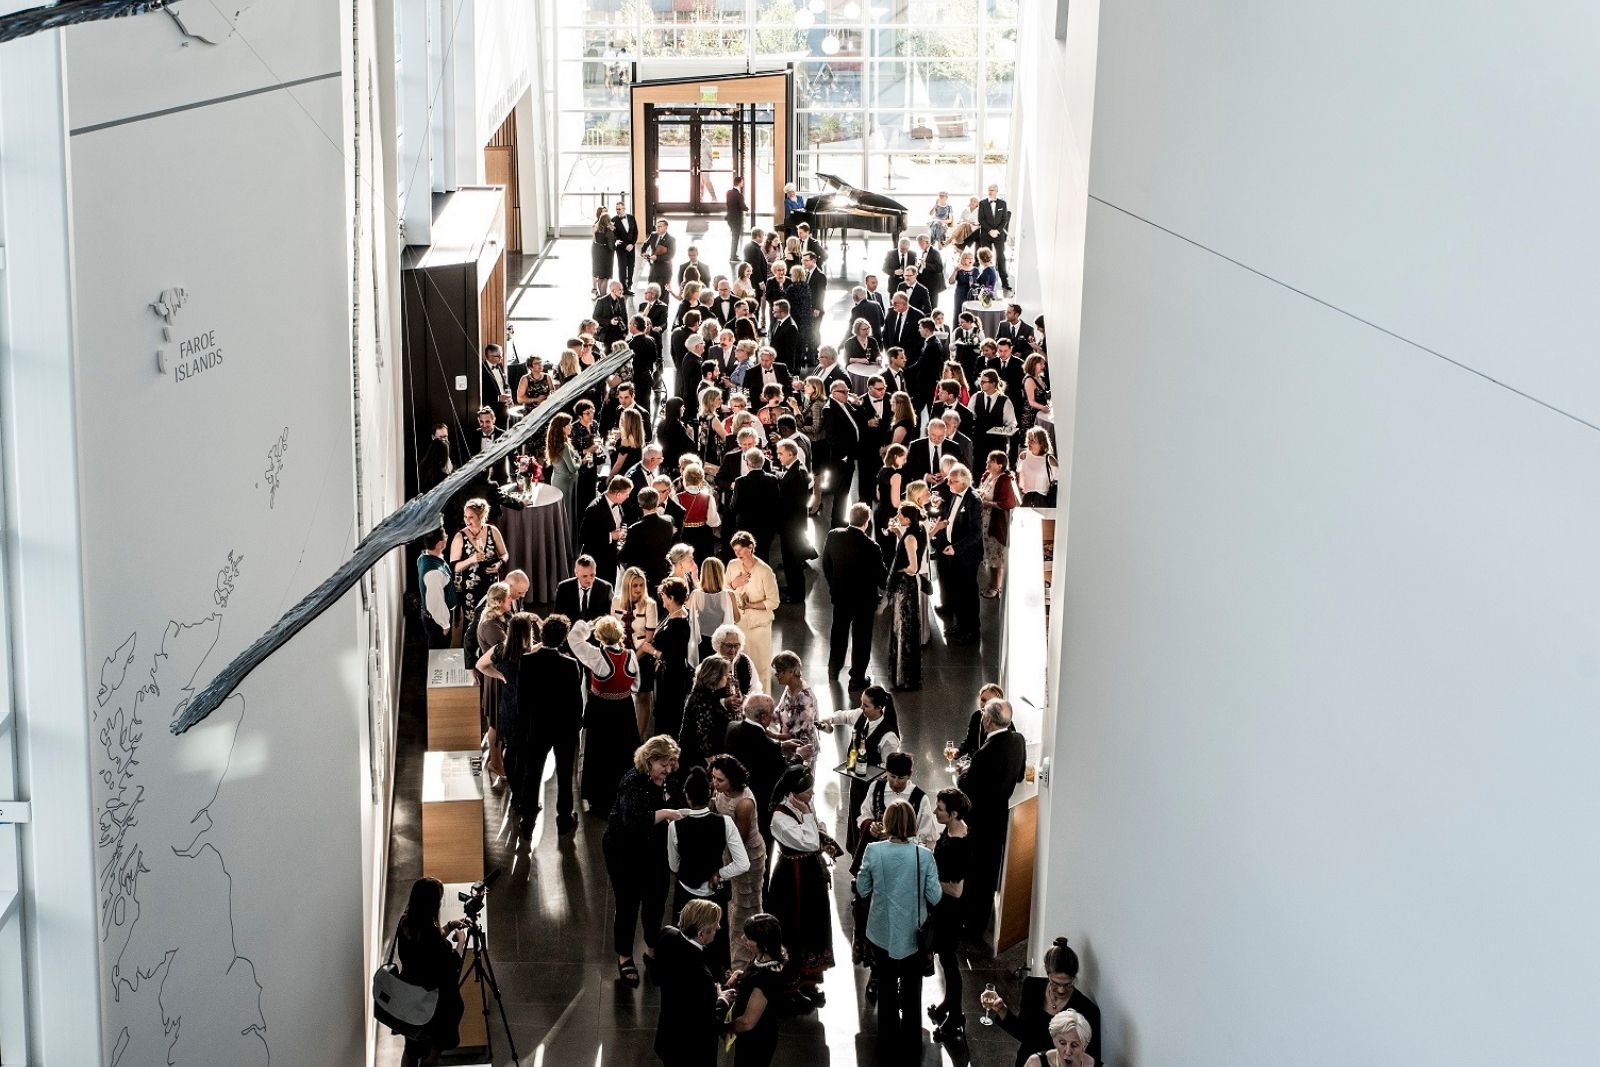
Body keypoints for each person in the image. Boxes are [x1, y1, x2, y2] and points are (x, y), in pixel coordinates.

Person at [854, 799, 942, 1054]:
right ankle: (912, 1039)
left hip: (881, 931)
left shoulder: (874, 850)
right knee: (913, 988)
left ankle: (887, 1038)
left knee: (887, 985)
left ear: (888, 824)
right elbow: (935, 896)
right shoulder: (924, 855)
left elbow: (862, 888)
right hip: (914, 933)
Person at [604, 735, 684, 987]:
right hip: (624, 851)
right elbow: (634, 821)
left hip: (654, 849)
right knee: (628, 903)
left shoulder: (668, 778)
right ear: (649, 761)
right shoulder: (632, 781)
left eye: (671, 765)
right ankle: (624, 956)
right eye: (664, 764)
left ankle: (652, 948)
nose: (668, 770)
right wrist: (666, 812)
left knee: (656, 900)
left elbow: (679, 800)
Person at [765, 767, 840, 1007]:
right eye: (808, 790)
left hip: (809, 873)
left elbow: (815, 830)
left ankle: (808, 979)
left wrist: (817, 827)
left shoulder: (805, 804)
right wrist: (809, 819)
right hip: (791, 878)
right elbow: (808, 841)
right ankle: (790, 985)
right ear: (794, 793)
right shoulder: (780, 817)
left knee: (812, 925)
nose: (813, 794)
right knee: (794, 926)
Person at [956, 698, 1028, 939]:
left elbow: (968, 788)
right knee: (989, 871)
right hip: (1000, 816)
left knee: (974, 870)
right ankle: (980, 923)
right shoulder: (1018, 741)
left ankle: (969, 923)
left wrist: (962, 774)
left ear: (987, 720)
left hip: (979, 820)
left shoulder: (985, 753)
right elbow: (1018, 777)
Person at [668, 766, 750, 975]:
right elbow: (743, 863)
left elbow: (674, 865)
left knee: (683, 949)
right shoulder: (725, 822)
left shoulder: (675, 826)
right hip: (714, 896)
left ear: (687, 797)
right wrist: (719, 873)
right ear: (710, 794)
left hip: (686, 894)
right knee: (715, 951)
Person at [983, 937, 1103, 1067]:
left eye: (1068, 984)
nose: (1062, 990)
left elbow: (1090, 1060)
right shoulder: (1032, 987)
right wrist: (1001, 1008)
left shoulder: (1087, 1010)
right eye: (1055, 983)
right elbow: (1024, 1034)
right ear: (1047, 972)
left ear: (1074, 977)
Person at [516, 613, 584, 834]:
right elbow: (576, 701)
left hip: (537, 727)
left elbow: (522, 699)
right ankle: (564, 820)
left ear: (541, 634)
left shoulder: (527, 661)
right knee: (565, 776)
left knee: (532, 772)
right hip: (563, 729)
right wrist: (576, 728)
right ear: (564, 638)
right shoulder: (571, 665)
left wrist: (524, 727)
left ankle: (527, 821)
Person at [569, 615, 642, 816]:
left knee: (599, 753)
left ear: (599, 637)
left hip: (601, 709)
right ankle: (624, 794)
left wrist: (588, 624)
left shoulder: (597, 656)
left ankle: (600, 797)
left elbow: (574, 639)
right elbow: (636, 685)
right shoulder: (630, 655)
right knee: (623, 751)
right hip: (624, 709)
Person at [394, 877, 466, 1067]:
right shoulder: (433, 939)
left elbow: (425, 942)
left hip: (411, 998)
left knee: (411, 1050)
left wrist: (449, 926)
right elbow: (452, 966)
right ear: (433, 904)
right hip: (435, 1006)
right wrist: (461, 942)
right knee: (432, 1055)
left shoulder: (406, 922)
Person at [475, 610, 539, 818]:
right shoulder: (533, 654)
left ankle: (515, 795)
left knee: (511, 750)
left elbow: (480, 665)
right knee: (528, 755)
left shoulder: (500, 650)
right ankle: (525, 796)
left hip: (509, 706)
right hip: (530, 709)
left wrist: (499, 675)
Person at [707, 755, 767, 972]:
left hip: (746, 856)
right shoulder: (722, 791)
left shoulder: (744, 803)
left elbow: (738, 841)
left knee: (745, 908)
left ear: (732, 780)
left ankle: (743, 964)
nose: (714, 783)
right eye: (713, 778)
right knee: (735, 904)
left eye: (719, 780)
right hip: (728, 851)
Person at [653, 898, 728, 1067]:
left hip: (668, 1037)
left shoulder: (666, 934)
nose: (718, 928)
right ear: (701, 934)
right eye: (715, 925)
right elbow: (709, 1023)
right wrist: (722, 999)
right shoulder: (702, 976)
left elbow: (656, 977)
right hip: (692, 1051)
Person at [821, 503, 886, 688]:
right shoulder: (872, 547)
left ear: (849, 518)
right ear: (866, 523)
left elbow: (826, 564)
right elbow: (882, 579)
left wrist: (834, 584)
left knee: (838, 632)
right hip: (864, 601)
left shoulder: (834, 536)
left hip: (841, 595)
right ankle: (857, 678)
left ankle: (833, 668)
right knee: (862, 638)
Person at [925, 787, 972, 1042]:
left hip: (950, 912)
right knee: (947, 961)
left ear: (953, 814)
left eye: (940, 809)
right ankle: (948, 1004)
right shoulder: (954, 829)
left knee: (950, 964)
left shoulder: (959, 845)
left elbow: (955, 889)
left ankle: (956, 1018)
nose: (935, 811)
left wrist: (928, 879)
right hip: (944, 909)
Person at [724, 913, 788, 1065]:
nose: (743, 939)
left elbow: (747, 1022)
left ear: (763, 944)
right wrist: (743, 977)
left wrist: (723, 1028)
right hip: (761, 1034)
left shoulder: (764, 978)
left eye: (748, 938)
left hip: (755, 1041)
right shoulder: (769, 956)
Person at [930, 463, 983, 644]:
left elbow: (976, 533)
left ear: (964, 482)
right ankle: (960, 626)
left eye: (954, 481)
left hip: (967, 556)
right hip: (954, 552)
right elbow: (951, 517)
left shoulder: (973, 501)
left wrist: (957, 548)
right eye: (950, 481)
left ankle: (971, 632)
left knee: (968, 593)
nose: (950, 484)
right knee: (958, 591)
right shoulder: (954, 495)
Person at [450, 497, 506, 655]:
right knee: (472, 623)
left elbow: (505, 554)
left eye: (471, 517)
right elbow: (455, 566)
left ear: (481, 517)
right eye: (465, 516)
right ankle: (471, 658)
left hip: (491, 586)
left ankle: (490, 654)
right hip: (470, 591)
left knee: (491, 620)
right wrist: (472, 559)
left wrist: (499, 564)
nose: (467, 520)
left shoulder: (492, 531)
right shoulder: (460, 537)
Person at [725, 531, 778, 692]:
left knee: (761, 666)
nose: (737, 553)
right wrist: (734, 584)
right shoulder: (732, 566)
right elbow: (723, 591)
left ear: (750, 547)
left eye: (741, 549)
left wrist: (751, 605)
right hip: (739, 624)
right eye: (735, 550)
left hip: (759, 626)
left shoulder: (765, 571)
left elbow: (773, 601)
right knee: (739, 666)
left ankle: (763, 703)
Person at [612, 566, 660, 737]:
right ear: (627, 586)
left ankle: (639, 737)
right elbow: (613, 629)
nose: (639, 589)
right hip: (621, 655)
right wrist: (621, 657)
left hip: (642, 655)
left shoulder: (650, 604)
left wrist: (634, 658)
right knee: (620, 696)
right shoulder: (616, 601)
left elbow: (649, 637)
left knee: (643, 696)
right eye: (635, 586)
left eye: (641, 585)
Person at [646, 577, 694, 740]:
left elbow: (675, 655)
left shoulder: (679, 623)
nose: (663, 600)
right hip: (668, 675)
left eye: (664, 596)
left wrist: (652, 651)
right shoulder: (674, 615)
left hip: (673, 677)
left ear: (672, 598)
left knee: (668, 716)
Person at [887, 501, 927, 689]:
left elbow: (913, 567)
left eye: (900, 516)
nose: (898, 518)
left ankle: (903, 677)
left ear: (908, 518)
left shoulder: (911, 538)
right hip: (908, 586)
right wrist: (897, 533)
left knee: (902, 629)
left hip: (904, 587)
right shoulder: (918, 530)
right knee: (907, 628)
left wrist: (901, 570)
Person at [579, 476, 639, 583]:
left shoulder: (618, 503)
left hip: (611, 560)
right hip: (597, 563)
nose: (628, 496)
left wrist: (623, 528)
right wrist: (610, 536)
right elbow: (584, 537)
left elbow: (621, 519)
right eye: (627, 494)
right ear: (618, 494)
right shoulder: (594, 509)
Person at [977, 449, 1020, 596]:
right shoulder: (987, 475)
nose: (988, 463)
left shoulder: (1003, 479)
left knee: (995, 555)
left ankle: (995, 587)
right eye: (988, 460)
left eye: (992, 461)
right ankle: (992, 584)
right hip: (984, 521)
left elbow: (1009, 502)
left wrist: (988, 503)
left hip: (995, 522)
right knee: (989, 554)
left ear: (1000, 465)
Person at [769, 651, 818, 771]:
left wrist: (771, 735)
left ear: (790, 672)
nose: (776, 676)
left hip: (802, 750)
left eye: (779, 672)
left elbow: (799, 734)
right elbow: (780, 712)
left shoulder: (805, 698)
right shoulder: (790, 688)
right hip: (789, 746)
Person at [415, 528, 456, 649]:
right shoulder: (434, 573)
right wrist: (445, 625)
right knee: (439, 651)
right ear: (439, 544)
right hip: (436, 620)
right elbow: (435, 603)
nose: (447, 538)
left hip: (432, 616)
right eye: (445, 537)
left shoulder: (424, 557)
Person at [690, 557, 735, 659]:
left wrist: (694, 579)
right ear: (720, 573)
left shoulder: (696, 595)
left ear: (703, 573)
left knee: (704, 671)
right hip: (721, 641)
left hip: (703, 641)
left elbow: (687, 608)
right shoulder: (728, 594)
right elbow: (736, 618)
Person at [974, 368, 1020, 464]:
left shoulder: (1005, 401)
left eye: (984, 382)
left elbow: (1012, 425)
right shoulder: (976, 397)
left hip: (997, 447)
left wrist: (997, 431)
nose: (980, 384)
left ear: (993, 383)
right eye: (980, 381)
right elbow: (970, 417)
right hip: (978, 446)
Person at [554, 554, 614, 623]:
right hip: (571, 631)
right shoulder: (563, 588)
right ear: (576, 573)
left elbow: (610, 619)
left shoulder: (606, 588)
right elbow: (557, 618)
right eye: (585, 576)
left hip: (595, 632)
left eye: (592, 575)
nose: (589, 580)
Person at [1025, 1010, 1096, 1067]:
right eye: (1062, 1043)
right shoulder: (1035, 1063)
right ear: (1054, 1040)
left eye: (1074, 1045)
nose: (1068, 1052)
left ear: (1084, 1046)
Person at [977, 183, 1012, 291]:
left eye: (992, 190)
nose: (990, 191)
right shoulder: (982, 203)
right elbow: (981, 219)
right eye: (989, 189)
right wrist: (989, 230)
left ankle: (1005, 282)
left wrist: (997, 231)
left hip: (998, 234)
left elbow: (1004, 219)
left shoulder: (1003, 203)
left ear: (997, 191)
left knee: (1001, 257)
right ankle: (984, 281)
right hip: (986, 234)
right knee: (985, 257)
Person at [1017, 427, 1058, 508]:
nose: (1029, 442)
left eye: (1033, 440)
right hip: (1025, 501)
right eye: (1029, 439)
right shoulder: (1023, 456)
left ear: (1041, 443)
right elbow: (1019, 476)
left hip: (1043, 502)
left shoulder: (1050, 459)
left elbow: (1059, 480)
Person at [612, 200, 640, 292]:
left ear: (624, 208)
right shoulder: (613, 220)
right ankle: (623, 287)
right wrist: (625, 246)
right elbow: (614, 236)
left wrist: (632, 244)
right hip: (621, 248)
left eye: (620, 209)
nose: (618, 211)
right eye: (617, 209)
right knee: (622, 267)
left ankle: (629, 285)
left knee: (631, 266)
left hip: (631, 247)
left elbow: (635, 232)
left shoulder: (631, 218)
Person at [643, 218, 676, 294]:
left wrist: (657, 257)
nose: (658, 228)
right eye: (657, 226)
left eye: (660, 226)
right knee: (651, 290)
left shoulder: (671, 240)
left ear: (666, 227)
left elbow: (671, 255)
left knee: (663, 293)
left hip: (665, 269)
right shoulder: (653, 235)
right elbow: (645, 244)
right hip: (653, 268)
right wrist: (643, 252)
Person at [1021, 353, 1051, 430]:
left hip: (1041, 414)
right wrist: (1043, 407)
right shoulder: (1029, 380)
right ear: (1033, 364)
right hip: (1032, 417)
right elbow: (1031, 401)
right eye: (1041, 364)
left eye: (1043, 364)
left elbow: (1042, 394)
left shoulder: (1039, 377)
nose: (1043, 366)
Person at [591, 206, 614, 296]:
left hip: (597, 250)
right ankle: (603, 295)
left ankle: (601, 295)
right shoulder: (608, 230)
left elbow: (594, 240)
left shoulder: (596, 226)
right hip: (605, 253)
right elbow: (611, 246)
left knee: (599, 274)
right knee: (604, 276)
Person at [725, 174, 747, 261]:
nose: (743, 183)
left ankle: (733, 254)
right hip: (737, 219)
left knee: (734, 236)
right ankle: (733, 256)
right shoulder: (739, 195)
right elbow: (742, 207)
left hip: (730, 218)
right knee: (735, 237)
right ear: (740, 183)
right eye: (742, 182)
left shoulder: (729, 192)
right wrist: (747, 208)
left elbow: (728, 204)